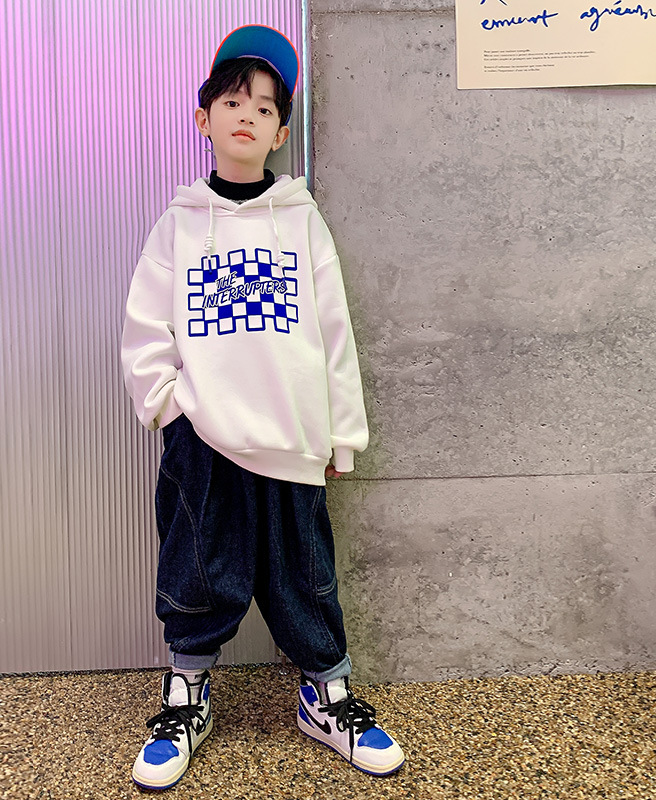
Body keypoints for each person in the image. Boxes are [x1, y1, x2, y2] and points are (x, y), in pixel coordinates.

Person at [121, 24, 405, 791]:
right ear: (203, 117)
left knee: (303, 576)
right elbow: (145, 329)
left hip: (291, 438)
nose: (246, 114)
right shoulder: (180, 225)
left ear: (281, 132)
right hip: (204, 440)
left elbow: (333, 331)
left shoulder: (300, 220)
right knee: (196, 573)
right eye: (232, 100)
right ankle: (186, 695)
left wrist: (341, 437)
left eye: (265, 106)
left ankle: (326, 696)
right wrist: (170, 410)